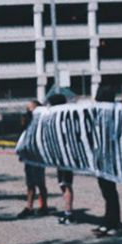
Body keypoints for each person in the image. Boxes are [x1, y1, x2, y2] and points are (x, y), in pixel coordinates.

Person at [92, 84, 121, 237]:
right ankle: (108, 221)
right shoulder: (100, 111)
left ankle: (113, 223)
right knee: (106, 191)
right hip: (101, 156)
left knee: (110, 192)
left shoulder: (115, 111)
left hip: (110, 157)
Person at [47, 94, 76, 223]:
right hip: (61, 156)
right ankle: (67, 210)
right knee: (63, 184)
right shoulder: (65, 117)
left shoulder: (63, 118)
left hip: (66, 156)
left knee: (66, 184)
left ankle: (68, 213)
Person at [18, 100, 49, 218]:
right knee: (30, 183)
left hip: (38, 156)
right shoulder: (27, 119)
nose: (29, 111)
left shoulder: (43, 119)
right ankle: (29, 206)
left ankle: (43, 205)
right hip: (29, 155)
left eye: (31, 108)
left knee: (40, 182)